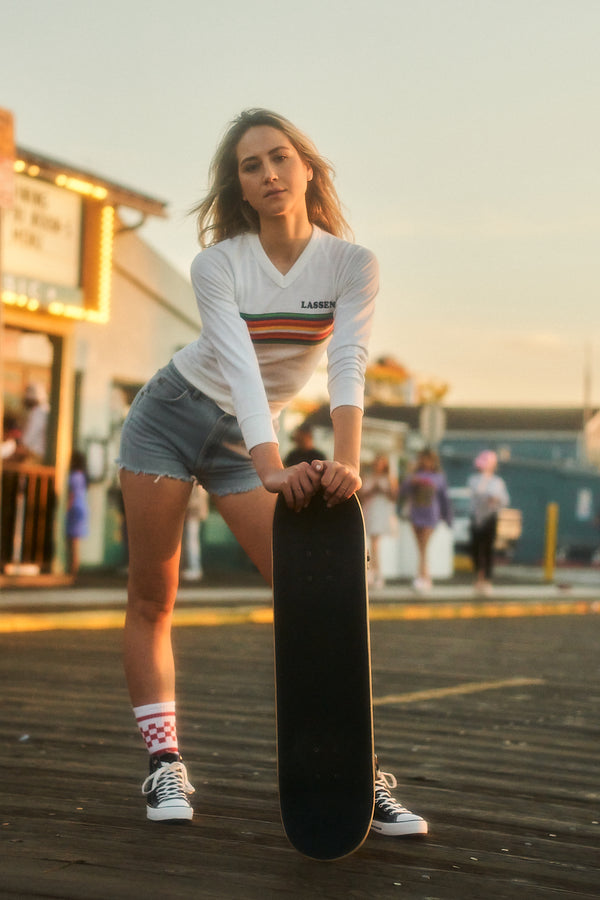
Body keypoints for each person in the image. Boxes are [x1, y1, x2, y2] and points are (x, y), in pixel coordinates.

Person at [117, 108, 426, 837]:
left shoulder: (352, 265)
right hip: (169, 418)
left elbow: (347, 365)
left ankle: (357, 770)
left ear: (308, 168)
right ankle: (165, 761)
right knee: (152, 595)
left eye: (280, 157)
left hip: (243, 442)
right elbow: (240, 366)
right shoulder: (218, 264)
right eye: (251, 167)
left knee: (318, 597)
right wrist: (272, 464)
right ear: (242, 189)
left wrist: (344, 460)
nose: (269, 173)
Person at [398, 448, 452, 593]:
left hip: (431, 514)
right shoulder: (414, 475)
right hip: (416, 513)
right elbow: (402, 491)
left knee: (424, 546)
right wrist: (412, 481)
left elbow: (444, 498)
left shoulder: (439, 477)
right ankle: (424, 576)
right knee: (420, 546)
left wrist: (447, 518)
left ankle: (423, 576)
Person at [468, 450, 509, 595]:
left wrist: (495, 499)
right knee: (475, 548)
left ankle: (487, 579)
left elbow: (504, 500)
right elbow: (478, 492)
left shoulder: (498, 481)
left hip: (491, 517)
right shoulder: (474, 479)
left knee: (488, 549)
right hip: (476, 517)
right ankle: (478, 576)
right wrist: (485, 479)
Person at [360, 453, 398, 588]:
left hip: (381, 512)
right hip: (369, 511)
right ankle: (374, 573)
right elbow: (361, 495)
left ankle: (376, 573)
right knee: (371, 543)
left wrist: (382, 490)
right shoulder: (367, 477)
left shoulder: (389, 479)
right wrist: (372, 490)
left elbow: (394, 496)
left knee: (375, 543)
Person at [65, 450, 89, 576]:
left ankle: (72, 570)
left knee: (71, 540)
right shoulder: (83, 476)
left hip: (74, 508)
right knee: (75, 541)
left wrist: (66, 508)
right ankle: (74, 569)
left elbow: (72, 494)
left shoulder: (74, 476)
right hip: (81, 507)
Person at [181, 484, 209, 581]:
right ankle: (191, 567)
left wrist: (189, 509)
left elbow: (196, 500)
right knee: (189, 540)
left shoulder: (196, 482)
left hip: (192, 513)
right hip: (192, 512)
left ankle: (195, 568)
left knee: (191, 540)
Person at [20, 383, 50, 461]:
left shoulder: (38, 412)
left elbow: (27, 439)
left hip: (36, 456)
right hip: (39, 454)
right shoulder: (45, 410)